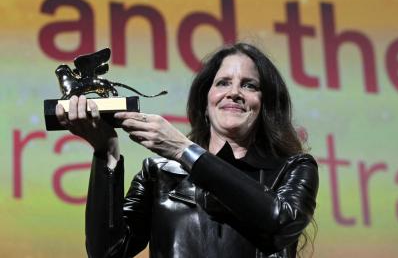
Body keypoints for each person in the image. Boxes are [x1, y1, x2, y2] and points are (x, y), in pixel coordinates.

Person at [56, 43, 319, 258]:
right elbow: (106, 253)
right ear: (205, 102)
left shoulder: (292, 168)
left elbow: (282, 221)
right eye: (223, 83)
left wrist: (185, 149)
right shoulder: (158, 174)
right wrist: (106, 150)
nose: (235, 93)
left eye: (249, 85)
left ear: (266, 104)